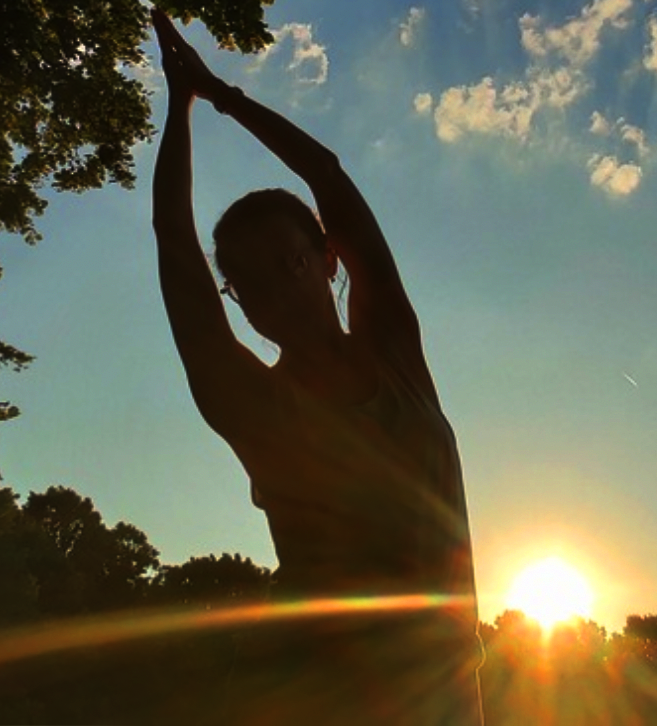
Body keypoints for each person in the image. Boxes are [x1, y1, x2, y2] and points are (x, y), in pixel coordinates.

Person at [150, 9, 483, 725]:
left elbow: (326, 174)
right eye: (244, 282)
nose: (269, 291)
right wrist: (176, 111)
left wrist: (222, 95)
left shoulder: (394, 350)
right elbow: (172, 236)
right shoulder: (250, 405)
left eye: (288, 263)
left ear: (329, 261)